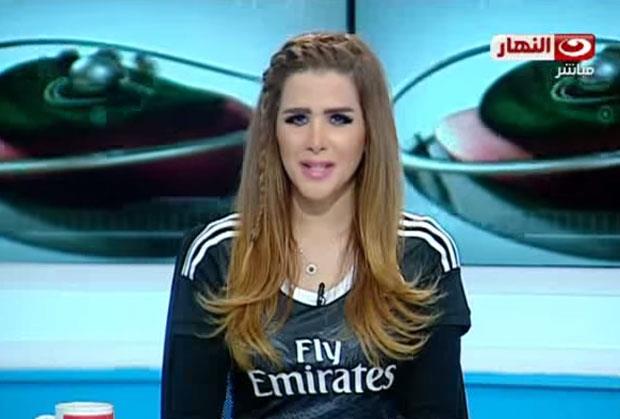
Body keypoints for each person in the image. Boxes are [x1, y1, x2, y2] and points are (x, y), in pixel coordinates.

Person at [161, 32, 471, 419]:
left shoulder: (421, 252)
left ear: (369, 132)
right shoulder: (218, 254)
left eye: (339, 119)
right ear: (272, 132)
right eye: (298, 118)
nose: (316, 140)